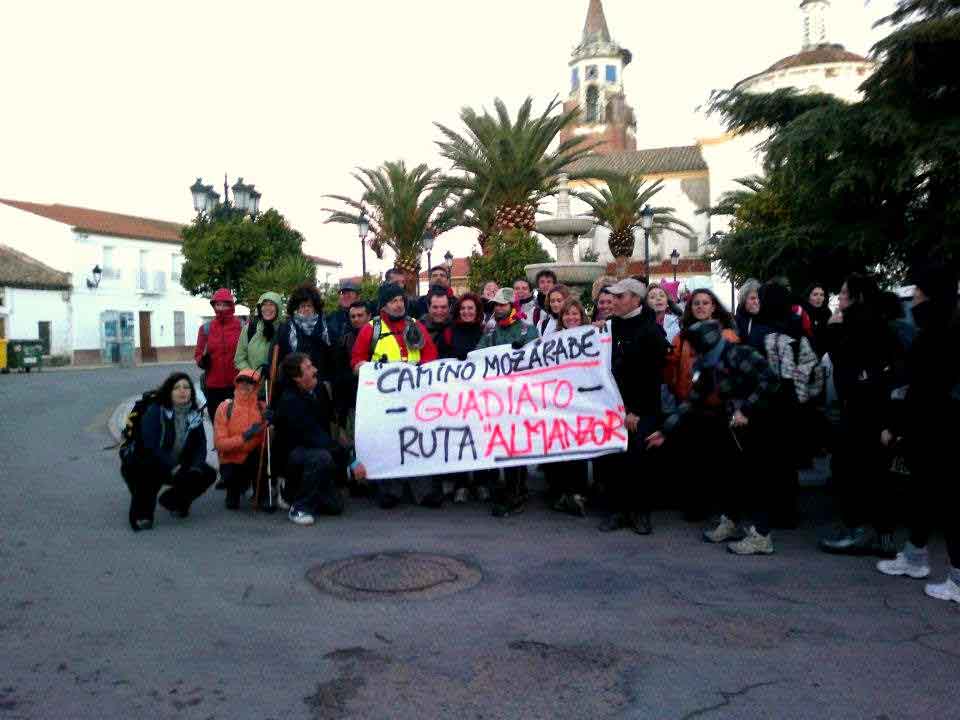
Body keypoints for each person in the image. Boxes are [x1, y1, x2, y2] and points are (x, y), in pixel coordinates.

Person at [649, 320, 781, 554]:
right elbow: (693, 400)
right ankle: (730, 521)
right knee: (731, 473)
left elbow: (770, 380)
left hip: (762, 420)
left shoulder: (740, 354)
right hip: (732, 423)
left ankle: (762, 535)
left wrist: (746, 409)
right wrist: (665, 431)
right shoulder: (706, 363)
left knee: (756, 477)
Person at [876, 265, 960, 604]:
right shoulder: (945, 328)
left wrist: (895, 427)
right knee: (925, 494)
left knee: (949, 500)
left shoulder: (938, 334)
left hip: (940, 427)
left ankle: (956, 577)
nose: (915, 300)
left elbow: (923, 388)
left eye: (921, 293)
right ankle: (915, 555)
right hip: (937, 426)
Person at [819, 274, 906, 556]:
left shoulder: (857, 326)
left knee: (852, 471)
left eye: (844, 293)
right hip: (874, 411)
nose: (839, 298)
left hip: (862, 410)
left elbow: (845, 362)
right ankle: (883, 534)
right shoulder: (881, 324)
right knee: (877, 475)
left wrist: (831, 329)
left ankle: (858, 530)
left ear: (857, 297)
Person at [351, 283, 439, 508]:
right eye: (393, 301)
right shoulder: (371, 329)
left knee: (418, 440)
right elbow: (356, 361)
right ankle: (391, 489)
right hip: (385, 399)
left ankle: (424, 491)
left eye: (400, 300)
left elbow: (430, 355)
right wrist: (364, 368)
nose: (398, 304)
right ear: (384, 304)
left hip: (415, 396)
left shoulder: (415, 325)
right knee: (389, 441)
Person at [598, 278, 670, 535]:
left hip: (640, 410)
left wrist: (636, 410)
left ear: (636, 300)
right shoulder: (610, 327)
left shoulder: (651, 331)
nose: (614, 302)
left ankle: (640, 513)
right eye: (613, 297)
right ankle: (616, 511)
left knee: (638, 462)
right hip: (613, 407)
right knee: (614, 461)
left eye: (620, 297)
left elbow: (653, 376)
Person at [662, 288, 740, 520]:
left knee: (722, 461)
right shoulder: (681, 338)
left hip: (719, 407)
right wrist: (679, 389)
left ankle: (726, 509)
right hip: (690, 405)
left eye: (706, 303)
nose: (701, 307)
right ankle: (696, 505)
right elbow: (670, 369)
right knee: (692, 460)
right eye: (696, 303)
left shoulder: (729, 336)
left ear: (714, 306)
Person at [274, 353, 366, 525]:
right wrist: (350, 461)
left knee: (335, 507)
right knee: (322, 457)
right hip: (293, 458)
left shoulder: (317, 392)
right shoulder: (290, 402)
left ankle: (300, 493)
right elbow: (317, 438)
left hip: (313, 452)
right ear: (297, 378)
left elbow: (328, 428)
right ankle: (299, 507)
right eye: (308, 368)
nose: (315, 370)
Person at [121, 372, 216, 531]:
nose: (182, 391)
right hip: (143, 463)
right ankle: (143, 514)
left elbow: (200, 446)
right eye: (177, 388)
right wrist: (173, 467)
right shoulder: (156, 411)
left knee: (206, 473)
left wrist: (195, 467)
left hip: (174, 464)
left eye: (186, 387)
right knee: (149, 476)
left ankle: (174, 501)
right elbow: (150, 446)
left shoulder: (193, 415)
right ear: (168, 392)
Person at [476, 287, 539, 517]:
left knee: (517, 445)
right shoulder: (491, 332)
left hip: (521, 398)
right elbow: (479, 352)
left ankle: (518, 491)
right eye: (496, 305)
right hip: (498, 398)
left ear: (513, 306)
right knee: (504, 443)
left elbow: (539, 358)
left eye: (502, 304)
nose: (498, 308)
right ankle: (512, 488)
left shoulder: (527, 330)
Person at [545, 297, 592, 516]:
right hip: (559, 401)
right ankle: (560, 492)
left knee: (578, 449)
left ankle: (577, 493)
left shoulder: (592, 336)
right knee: (559, 447)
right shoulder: (553, 340)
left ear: (581, 316)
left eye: (575, 313)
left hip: (582, 402)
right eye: (567, 314)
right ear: (561, 318)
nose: (571, 317)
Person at [213, 369, 267, 510]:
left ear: (256, 385)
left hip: (253, 458)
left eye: (250, 382)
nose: (245, 384)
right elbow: (220, 444)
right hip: (231, 459)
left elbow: (266, 440)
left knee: (262, 456)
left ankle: (260, 493)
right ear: (236, 383)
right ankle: (234, 490)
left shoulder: (262, 408)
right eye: (241, 380)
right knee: (232, 503)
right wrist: (244, 437)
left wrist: (271, 424)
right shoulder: (225, 407)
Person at [195, 288, 243, 422]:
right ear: (213, 306)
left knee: (237, 425)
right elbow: (198, 355)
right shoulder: (205, 329)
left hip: (237, 386)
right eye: (217, 304)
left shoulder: (242, 326)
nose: (221, 308)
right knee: (218, 427)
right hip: (213, 388)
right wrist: (202, 361)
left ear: (231, 305)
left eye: (224, 304)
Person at [277, 283, 336, 387]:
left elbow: (332, 356)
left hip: (320, 382)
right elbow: (281, 356)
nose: (306, 309)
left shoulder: (326, 328)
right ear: (296, 308)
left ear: (315, 307)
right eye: (302, 306)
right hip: (294, 384)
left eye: (309, 305)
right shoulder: (286, 328)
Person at [235, 291, 282, 373]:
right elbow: (239, 359)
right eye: (264, 304)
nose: (267, 308)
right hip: (252, 383)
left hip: (278, 384)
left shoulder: (285, 330)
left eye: (271, 304)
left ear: (278, 308)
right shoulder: (249, 329)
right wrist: (252, 374)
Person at [448, 292, 485, 361]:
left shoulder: (484, 332)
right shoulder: (450, 331)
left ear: (477, 310)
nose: (466, 311)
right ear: (458, 311)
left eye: (470, 308)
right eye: (462, 308)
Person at [420, 287, 455, 359]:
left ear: (450, 307)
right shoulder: (418, 329)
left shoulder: (457, 327)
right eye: (435, 307)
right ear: (428, 307)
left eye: (443, 307)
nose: (439, 311)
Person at [326, 280, 361, 346]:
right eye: (343, 293)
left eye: (350, 293)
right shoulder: (330, 318)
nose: (345, 296)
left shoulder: (365, 317)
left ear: (358, 297)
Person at [802, 283, 832, 357]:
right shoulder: (803, 313)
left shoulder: (827, 313)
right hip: (807, 355)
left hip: (825, 355)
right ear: (808, 296)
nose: (819, 298)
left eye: (821, 295)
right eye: (815, 294)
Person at [734, 279, 763, 351]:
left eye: (759, 298)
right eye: (752, 298)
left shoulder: (766, 320)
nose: (756, 301)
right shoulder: (735, 322)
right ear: (744, 300)